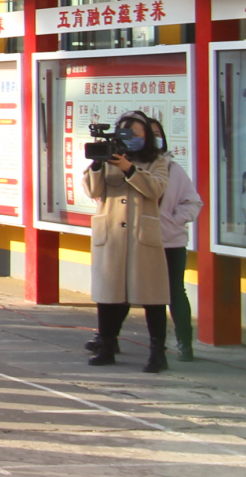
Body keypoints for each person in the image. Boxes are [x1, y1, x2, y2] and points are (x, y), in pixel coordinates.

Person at [83, 112, 175, 373]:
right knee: (109, 296)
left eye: (136, 134)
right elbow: (93, 191)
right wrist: (98, 165)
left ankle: (157, 352)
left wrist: (129, 168)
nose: (131, 139)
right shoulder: (108, 156)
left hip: (141, 237)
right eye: (126, 134)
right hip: (111, 236)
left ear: (146, 136)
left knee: (152, 297)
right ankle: (107, 345)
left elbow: (156, 190)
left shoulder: (157, 161)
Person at [152, 118, 201, 362]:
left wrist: (174, 220)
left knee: (174, 292)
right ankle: (109, 340)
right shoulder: (127, 167)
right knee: (132, 292)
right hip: (139, 243)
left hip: (170, 242)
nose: (153, 137)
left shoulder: (173, 169)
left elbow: (193, 202)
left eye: (156, 133)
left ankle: (184, 343)